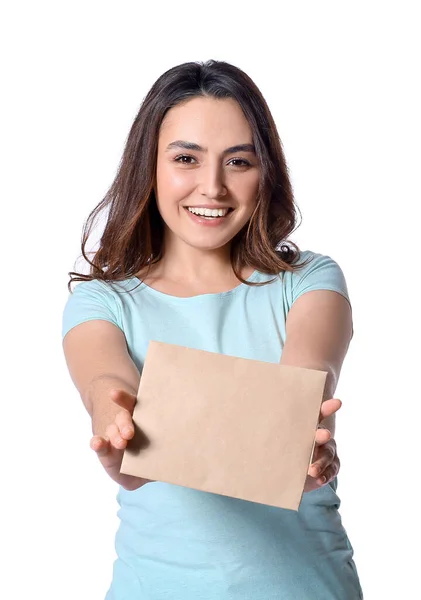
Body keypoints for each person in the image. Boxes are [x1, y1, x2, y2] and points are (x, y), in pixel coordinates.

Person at [62, 59, 363, 599]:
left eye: (239, 161)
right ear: (148, 167)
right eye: (186, 159)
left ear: (265, 171)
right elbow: (104, 379)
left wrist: (301, 444)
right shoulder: (101, 301)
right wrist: (116, 424)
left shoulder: (310, 281)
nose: (214, 187)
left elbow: (307, 377)